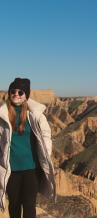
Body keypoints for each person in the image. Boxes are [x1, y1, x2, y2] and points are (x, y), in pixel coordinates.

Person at [0, 78, 56, 218]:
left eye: (20, 92)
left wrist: (46, 153)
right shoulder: (3, 115)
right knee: (14, 205)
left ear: (26, 95)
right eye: (13, 91)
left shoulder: (34, 114)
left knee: (29, 205)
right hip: (11, 169)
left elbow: (46, 135)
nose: (16, 94)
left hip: (31, 169)